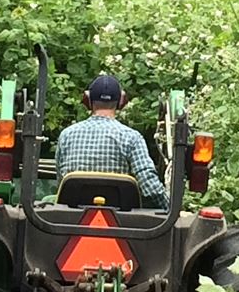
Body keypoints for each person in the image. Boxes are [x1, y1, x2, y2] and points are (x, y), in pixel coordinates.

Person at [54, 72, 164, 203]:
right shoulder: (132, 137)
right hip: (122, 219)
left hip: (70, 218)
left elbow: (61, 183)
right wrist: (172, 212)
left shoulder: (67, 135)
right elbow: (149, 186)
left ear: (87, 100)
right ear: (121, 101)